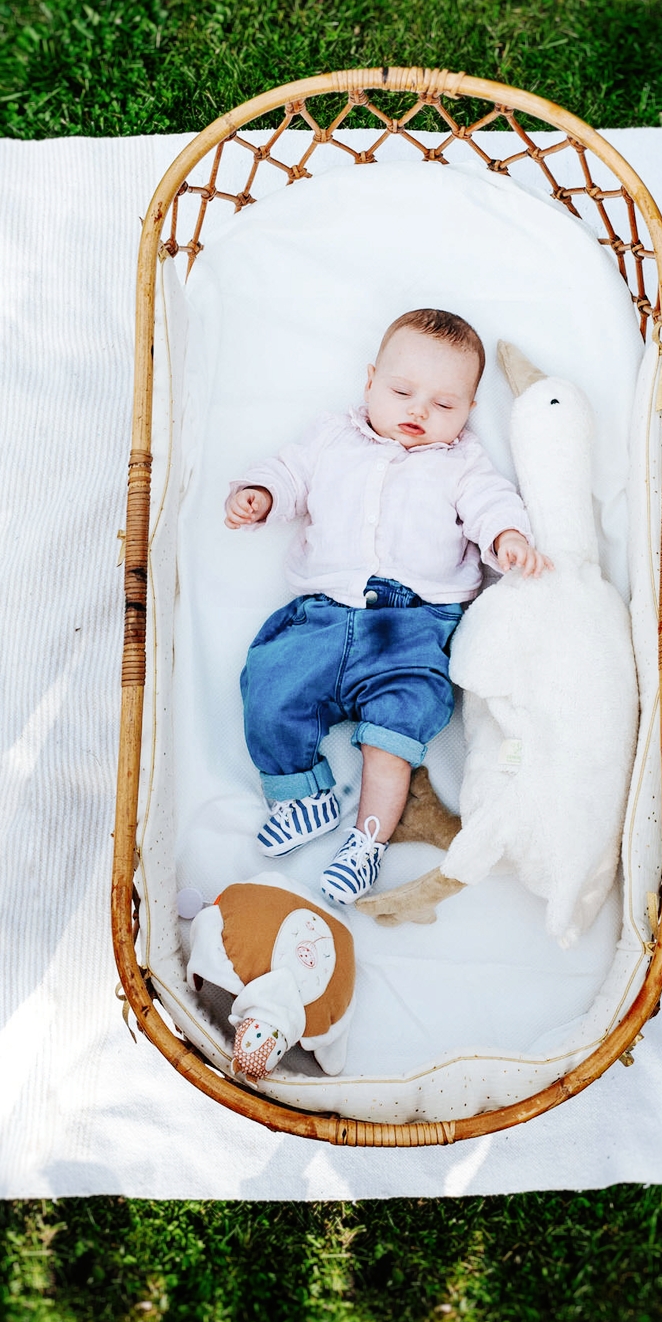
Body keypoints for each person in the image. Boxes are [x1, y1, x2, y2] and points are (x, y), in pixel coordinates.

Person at [224, 308, 549, 905]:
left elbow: (489, 501)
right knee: (270, 688)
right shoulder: (331, 438)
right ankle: (303, 798)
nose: (419, 411)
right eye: (402, 391)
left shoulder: (462, 462)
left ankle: (367, 843)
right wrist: (262, 493)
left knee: (395, 731)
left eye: (445, 405)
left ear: (470, 412)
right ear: (370, 381)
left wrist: (506, 537)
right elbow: (290, 472)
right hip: (320, 616)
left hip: (413, 627)